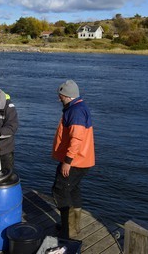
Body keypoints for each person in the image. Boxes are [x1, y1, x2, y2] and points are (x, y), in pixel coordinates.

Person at [52, 79, 95, 239]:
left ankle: (68, 232)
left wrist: (67, 161)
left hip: (76, 161)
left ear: (69, 96)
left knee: (60, 190)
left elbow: (76, 139)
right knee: (73, 190)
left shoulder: (75, 111)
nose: (59, 99)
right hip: (83, 160)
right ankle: (72, 227)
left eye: (61, 96)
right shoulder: (79, 107)